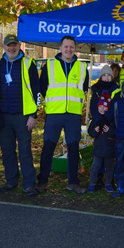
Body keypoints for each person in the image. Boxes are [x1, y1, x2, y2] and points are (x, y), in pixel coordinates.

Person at [36, 35, 89, 194]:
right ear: (60, 48)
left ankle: (73, 182)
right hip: (54, 113)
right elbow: (43, 88)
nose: (69, 49)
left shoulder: (81, 67)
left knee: (73, 149)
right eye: (66, 46)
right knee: (48, 148)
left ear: (75, 49)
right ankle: (43, 181)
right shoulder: (49, 65)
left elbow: (84, 89)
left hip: (73, 114)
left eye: (71, 47)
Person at [0, 35, 40, 196]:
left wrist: (33, 115)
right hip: (4, 116)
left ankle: (29, 184)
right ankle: (11, 180)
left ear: (19, 45)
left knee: (25, 151)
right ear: (3, 46)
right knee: (7, 151)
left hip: (23, 116)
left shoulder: (28, 64)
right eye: (8, 45)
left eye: (14, 45)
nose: (11, 48)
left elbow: (37, 91)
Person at [89, 65, 120, 191]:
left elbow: (115, 107)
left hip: (110, 122)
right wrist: (99, 120)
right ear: (101, 76)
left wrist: (106, 118)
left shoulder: (116, 89)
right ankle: (97, 179)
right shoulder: (96, 89)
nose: (106, 78)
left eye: (109, 75)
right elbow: (93, 107)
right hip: (98, 121)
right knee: (97, 161)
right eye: (104, 75)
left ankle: (109, 181)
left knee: (109, 161)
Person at [87, 90, 116, 194]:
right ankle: (91, 183)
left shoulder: (111, 120)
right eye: (100, 107)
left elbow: (115, 132)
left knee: (109, 167)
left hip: (109, 147)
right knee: (95, 166)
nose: (102, 109)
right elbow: (90, 132)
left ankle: (108, 183)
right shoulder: (95, 120)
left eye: (105, 107)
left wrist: (110, 130)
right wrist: (94, 131)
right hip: (98, 148)